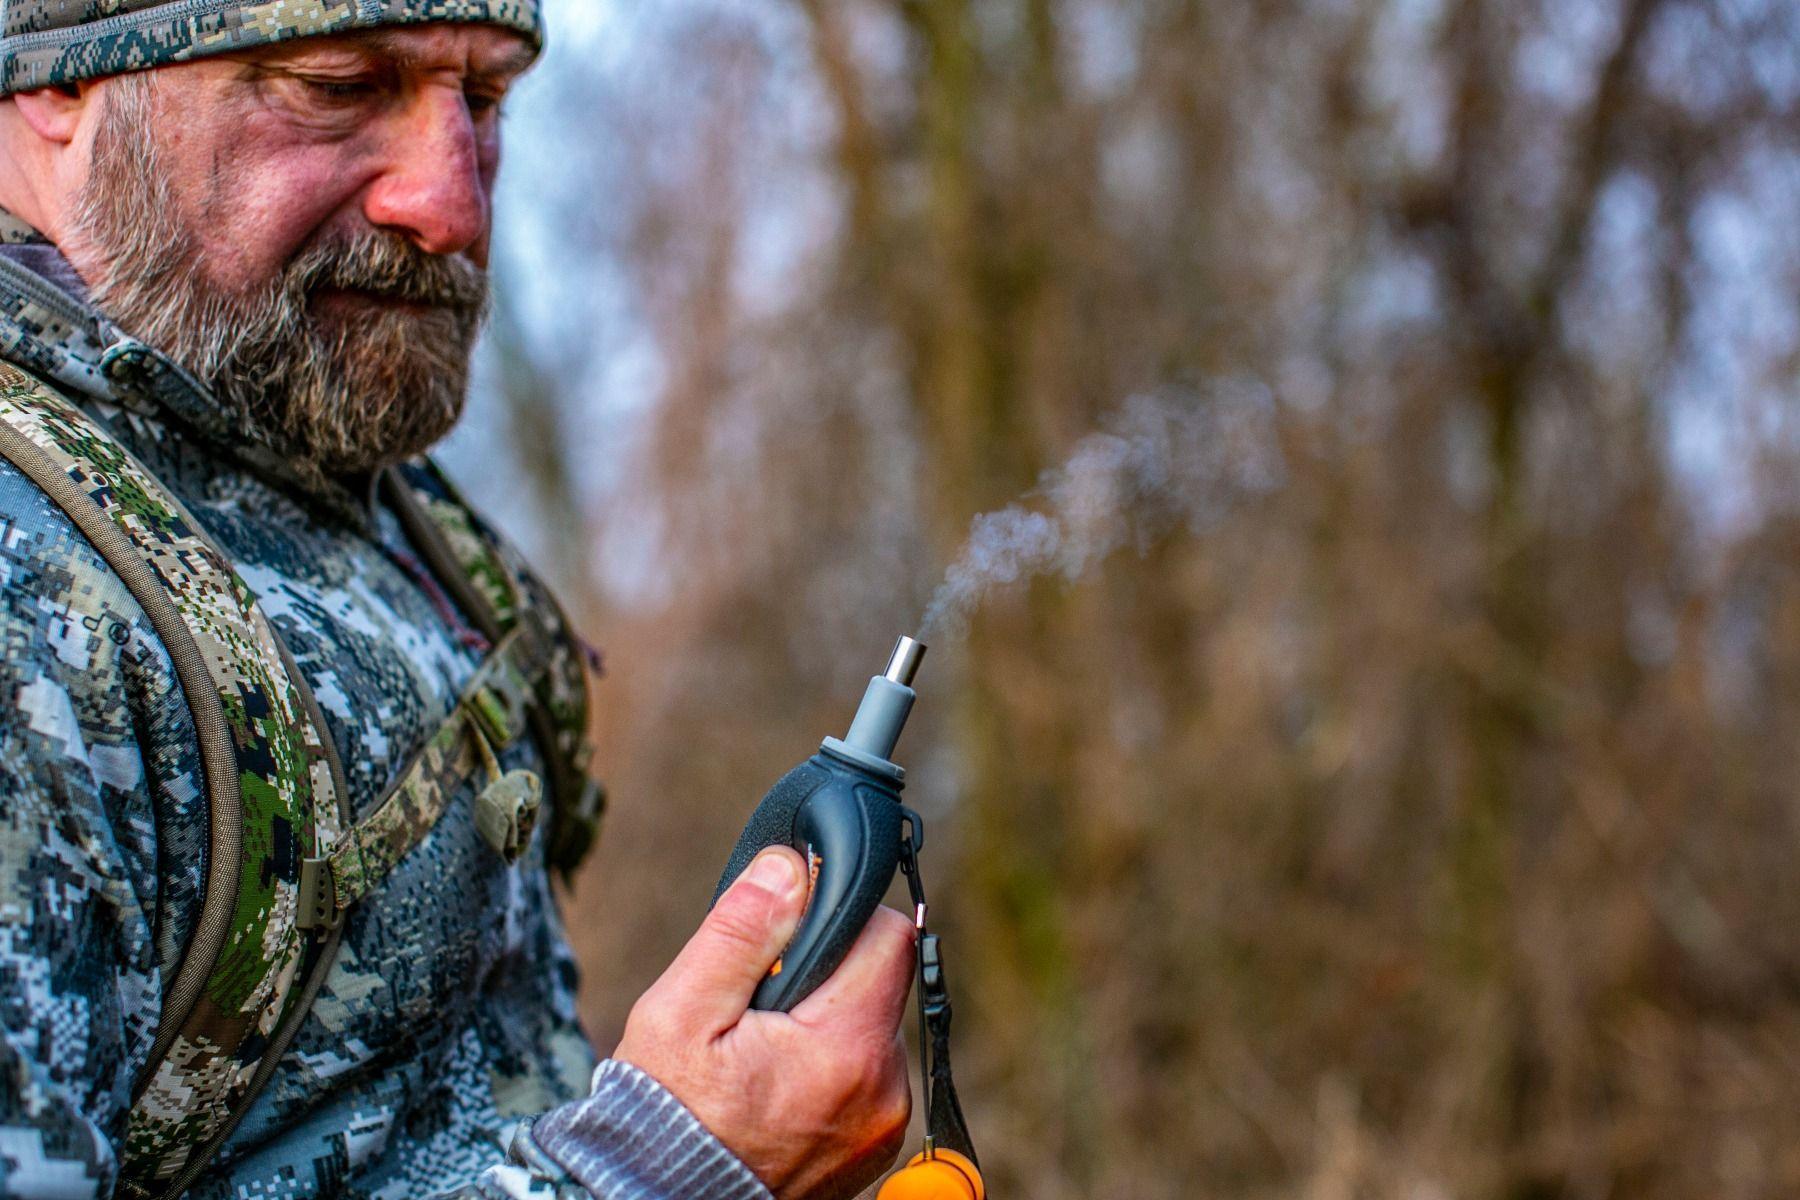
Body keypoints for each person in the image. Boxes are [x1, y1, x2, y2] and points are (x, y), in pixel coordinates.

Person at [0, 5, 915, 1199]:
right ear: (57, 89)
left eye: (482, 102)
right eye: (336, 85)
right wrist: (666, 1170)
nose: (452, 209)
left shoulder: (297, 447)